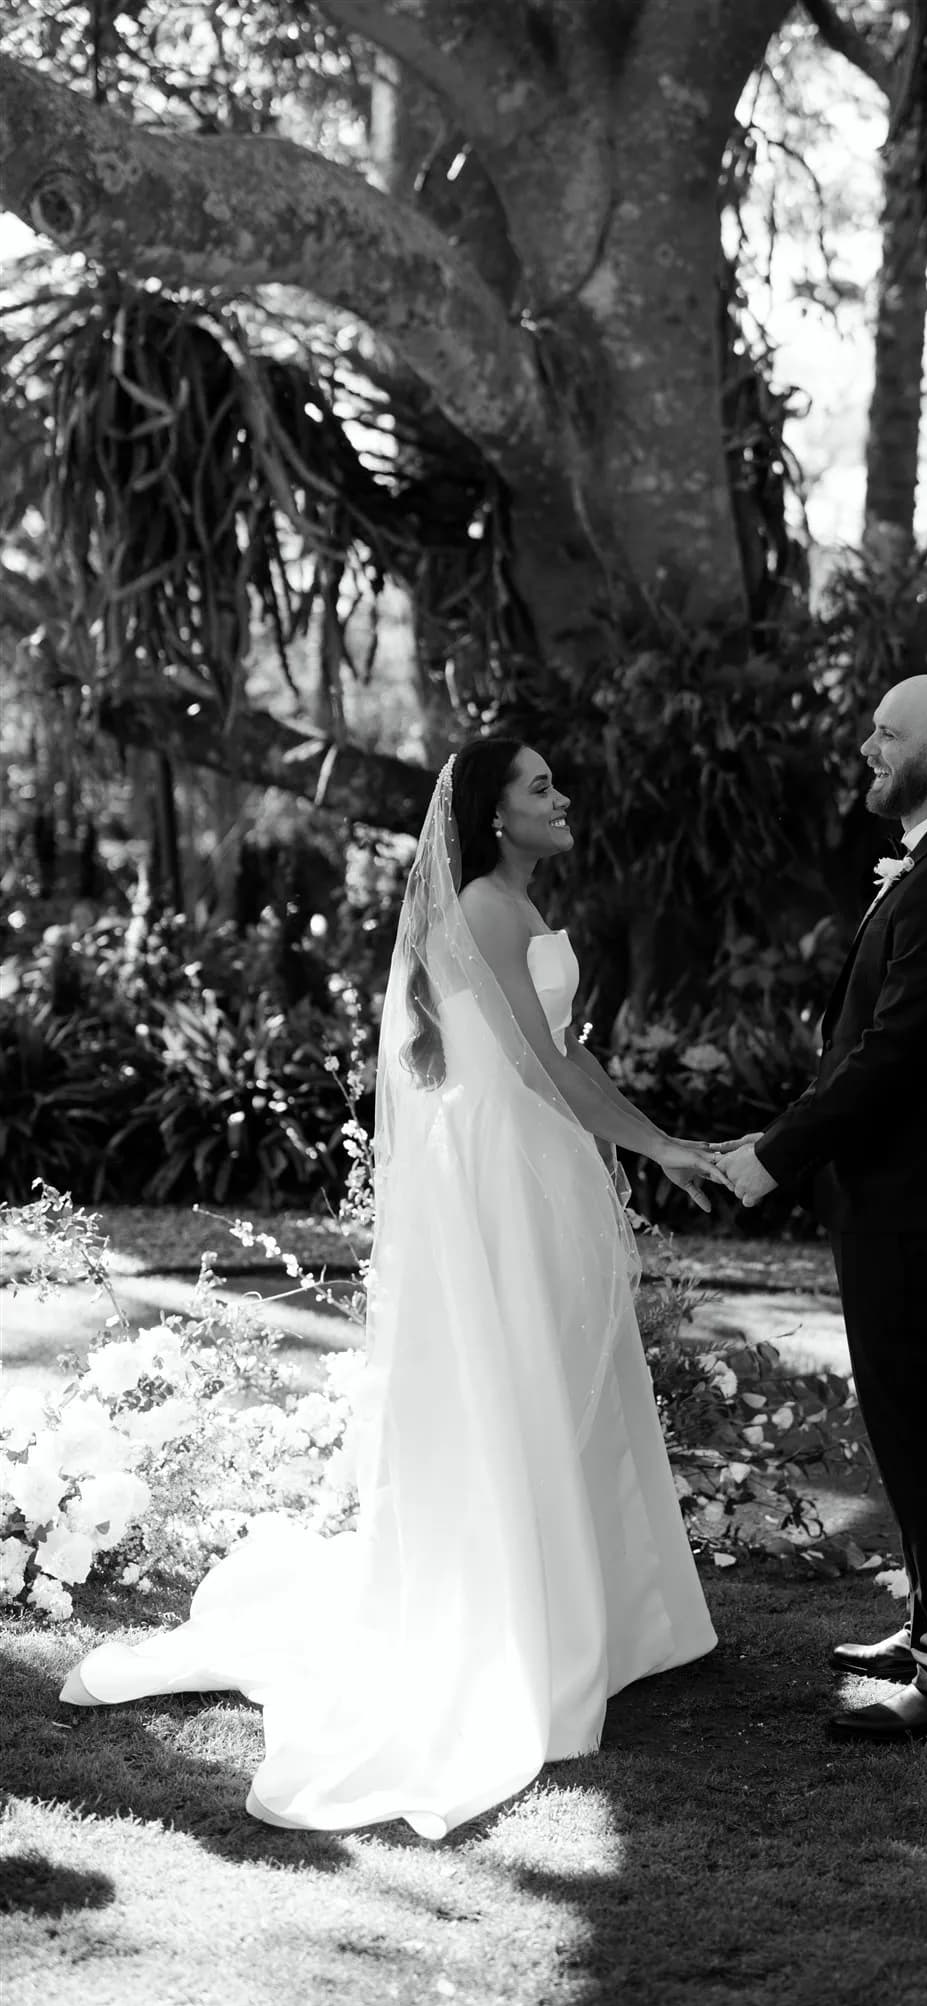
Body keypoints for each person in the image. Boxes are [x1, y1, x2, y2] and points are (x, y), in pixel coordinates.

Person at [61, 738, 721, 1834]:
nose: (564, 798)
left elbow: (547, 1049)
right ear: (498, 815)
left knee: (557, 1367)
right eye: (542, 786)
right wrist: (665, 1145)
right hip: (512, 1173)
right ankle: (542, 1627)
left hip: (527, 1159)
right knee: (528, 1374)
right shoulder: (490, 909)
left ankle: (606, 1616)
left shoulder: (506, 902)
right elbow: (547, 1066)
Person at [718, 674, 927, 1744]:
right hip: (898, 1188)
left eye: (885, 733)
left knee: (921, 1425)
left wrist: (777, 1156)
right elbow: (873, 1044)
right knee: (906, 1422)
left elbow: (894, 1053)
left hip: (923, 1195)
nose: (862, 744)